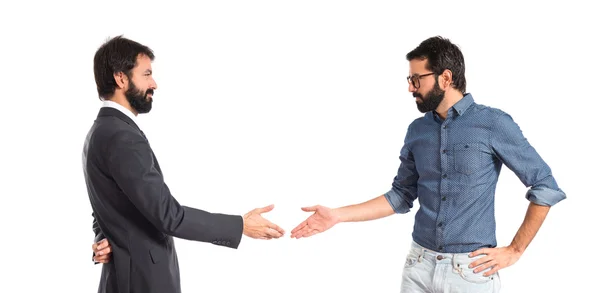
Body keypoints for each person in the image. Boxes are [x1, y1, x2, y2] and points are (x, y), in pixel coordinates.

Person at [289, 36, 566, 292]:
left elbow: (544, 186)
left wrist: (515, 250)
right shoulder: (417, 131)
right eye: (409, 79)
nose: (410, 87)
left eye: (416, 79)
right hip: (418, 267)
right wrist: (337, 215)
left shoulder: (493, 124)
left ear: (445, 78)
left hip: (471, 273)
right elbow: (400, 196)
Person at [82, 35, 285, 293]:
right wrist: (240, 226)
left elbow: (109, 202)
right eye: (146, 74)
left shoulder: (102, 130)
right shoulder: (121, 136)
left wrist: (104, 238)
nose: (154, 83)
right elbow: (168, 216)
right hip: (143, 282)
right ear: (121, 78)